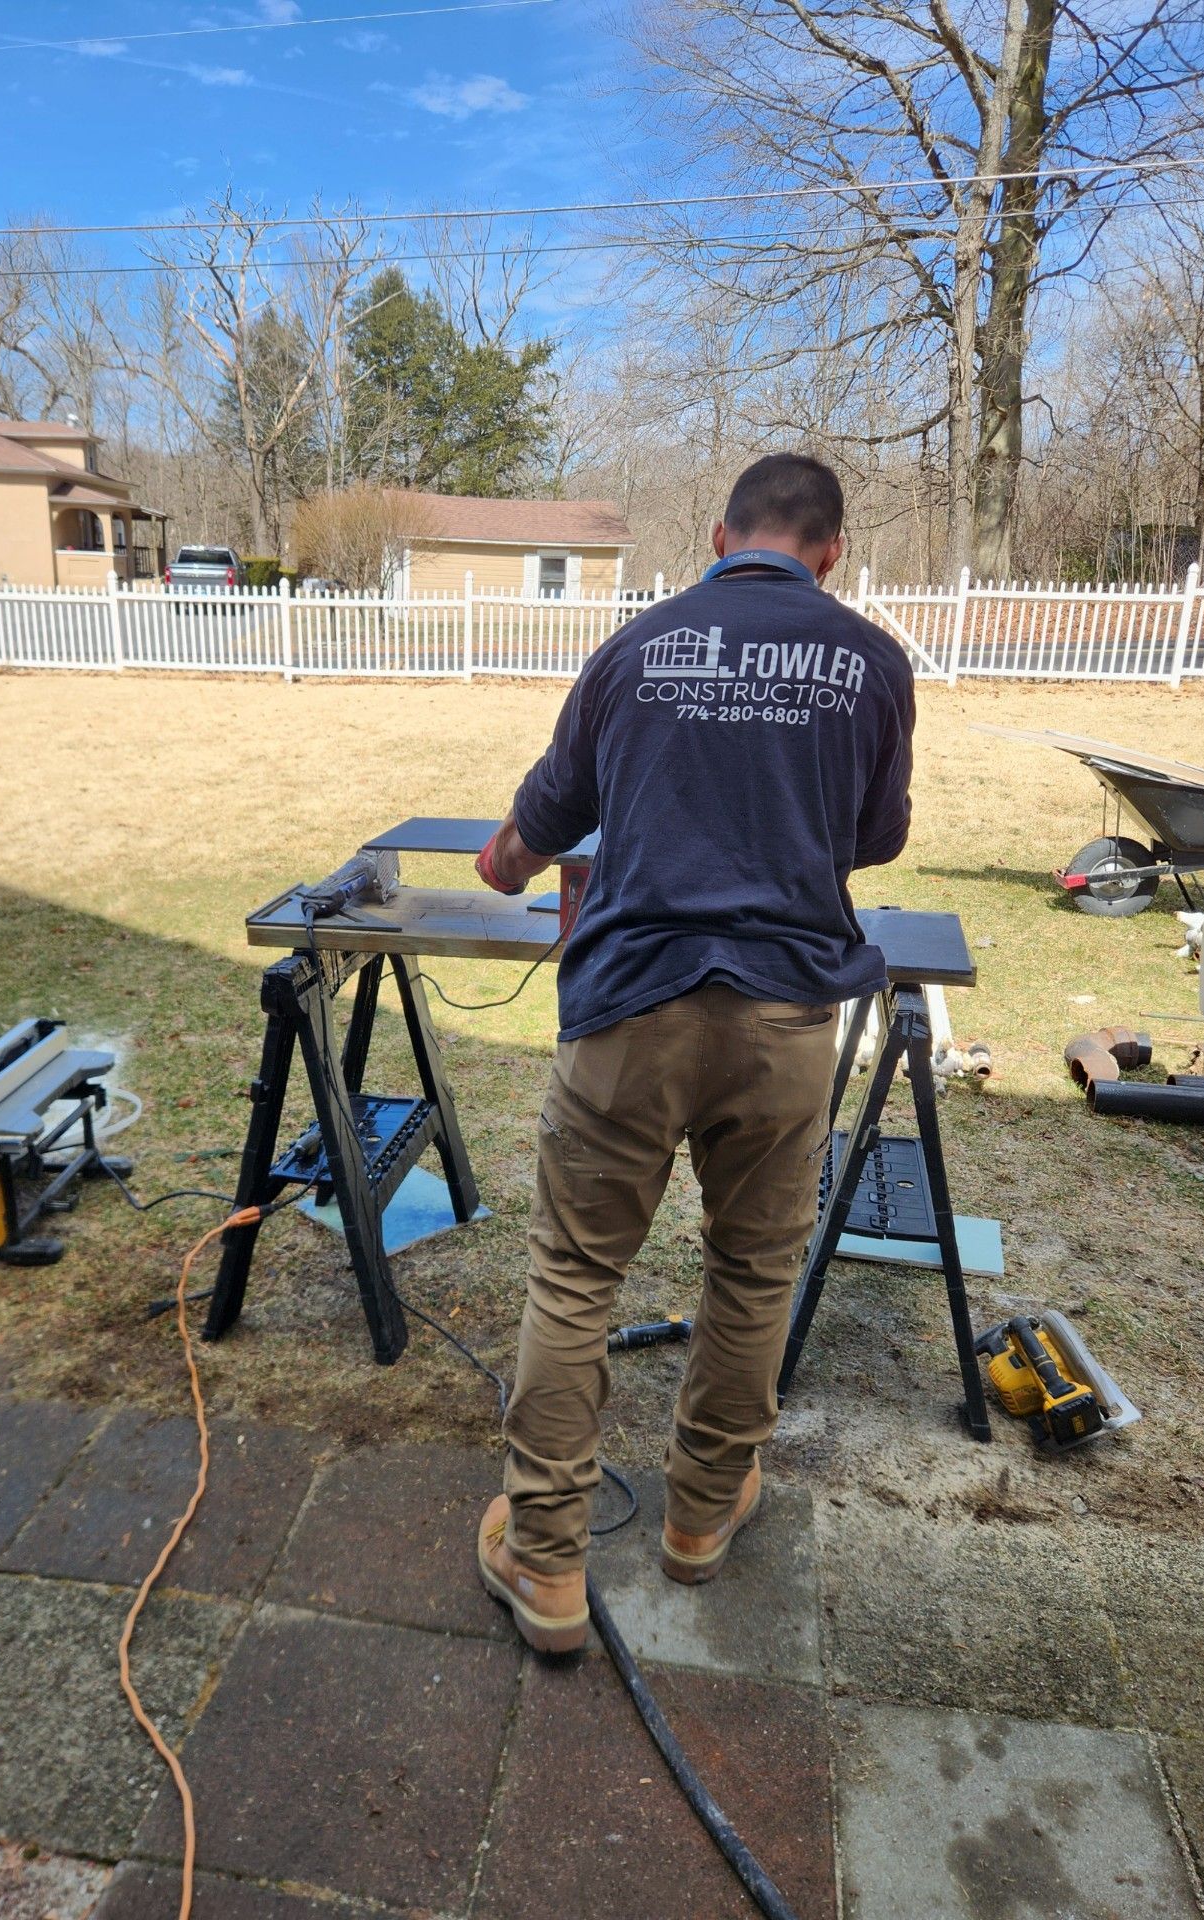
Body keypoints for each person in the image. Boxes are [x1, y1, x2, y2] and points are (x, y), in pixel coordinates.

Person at [473, 452, 916, 1654]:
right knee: (752, 1271)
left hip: (629, 1010)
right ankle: (702, 1520)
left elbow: (544, 820)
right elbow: (872, 839)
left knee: (574, 1277)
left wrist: (503, 862)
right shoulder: (872, 661)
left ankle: (549, 1563)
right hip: (782, 1023)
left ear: (722, 537)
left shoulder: (634, 648)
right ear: (830, 551)